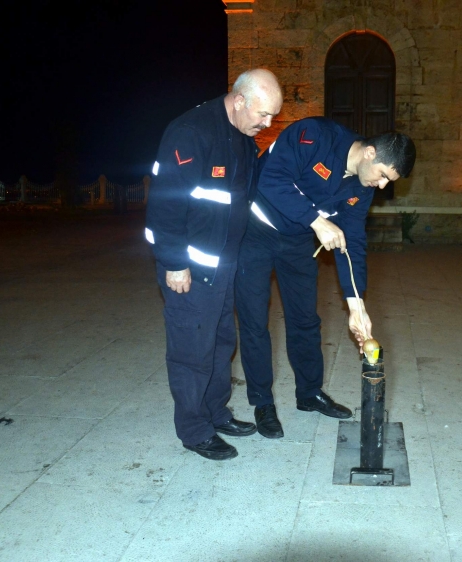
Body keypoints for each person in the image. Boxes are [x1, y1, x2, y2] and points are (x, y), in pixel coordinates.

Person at [235, 117, 416, 438]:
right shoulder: (313, 136)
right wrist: (317, 221)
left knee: (305, 318)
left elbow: (354, 243)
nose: (384, 185)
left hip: (297, 241)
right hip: (255, 231)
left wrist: (357, 306)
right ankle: (263, 403)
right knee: (254, 321)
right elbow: (271, 179)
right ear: (370, 153)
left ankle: (308, 393)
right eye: (384, 175)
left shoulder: (362, 186)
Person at [144, 69, 283, 460]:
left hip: (224, 266)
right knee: (192, 350)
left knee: (221, 342)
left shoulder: (241, 135)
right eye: (264, 114)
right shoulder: (190, 132)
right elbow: (165, 204)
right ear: (240, 100)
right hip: (189, 268)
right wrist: (173, 263)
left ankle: (216, 413)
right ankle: (193, 430)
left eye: (273, 116)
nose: (267, 124)